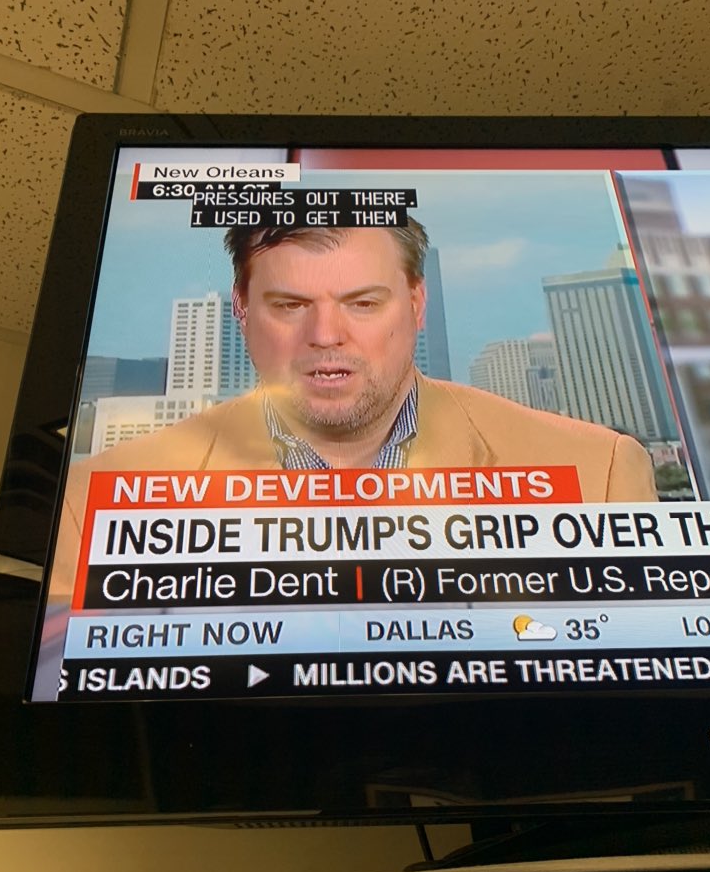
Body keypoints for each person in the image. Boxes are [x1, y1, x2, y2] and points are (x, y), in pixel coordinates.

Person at [50, 219, 657, 596]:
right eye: (290, 305)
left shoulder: (598, 474)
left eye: (363, 303)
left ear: (416, 305)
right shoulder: (90, 501)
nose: (325, 335)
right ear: (241, 310)